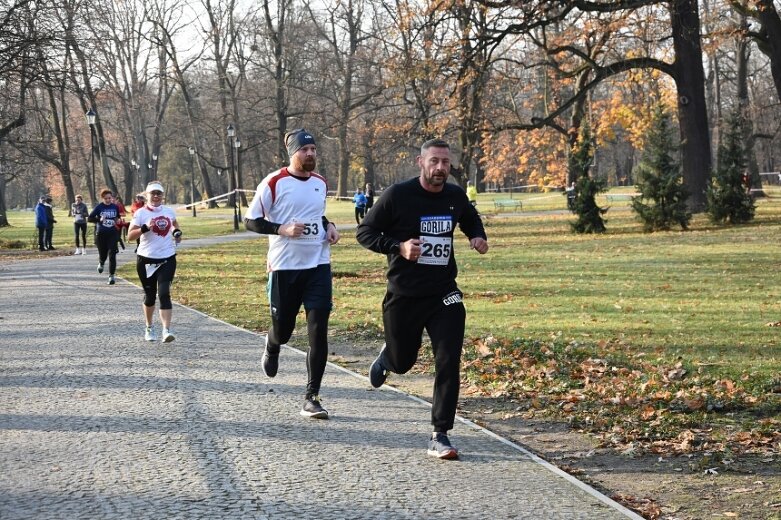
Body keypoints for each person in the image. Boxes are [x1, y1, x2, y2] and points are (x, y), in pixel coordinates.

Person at [356, 138, 489, 460]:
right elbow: (365, 232)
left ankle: (440, 433)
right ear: (421, 162)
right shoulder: (398, 196)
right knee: (404, 362)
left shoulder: (455, 196)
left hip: (444, 293)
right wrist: (398, 247)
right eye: (435, 162)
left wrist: (477, 235)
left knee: (448, 359)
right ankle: (389, 358)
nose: (441, 168)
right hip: (404, 294)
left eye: (445, 162)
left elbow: (469, 216)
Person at [244, 128, 340, 419]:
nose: (310, 154)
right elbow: (251, 222)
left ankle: (312, 397)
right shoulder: (274, 183)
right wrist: (281, 229)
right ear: (293, 154)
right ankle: (272, 344)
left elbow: (316, 215)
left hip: (318, 265)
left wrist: (330, 225)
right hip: (285, 268)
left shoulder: (321, 183)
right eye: (305, 150)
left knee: (318, 330)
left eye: (313, 150)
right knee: (284, 331)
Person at [127, 181, 182, 343]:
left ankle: (166, 330)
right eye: (153, 193)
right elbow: (130, 237)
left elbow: (174, 224)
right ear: (147, 195)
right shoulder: (141, 213)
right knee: (150, 296)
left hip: (167, 258)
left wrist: (177, 233)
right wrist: (145, 228)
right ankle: (149, 327)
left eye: (159, 193)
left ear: (162, 195)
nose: (156, 196)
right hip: (146, 259)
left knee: (164, 293)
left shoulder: (168, 211)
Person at [88, 188, 121, 285]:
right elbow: (90, 219)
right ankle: (101, 262)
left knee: (112, 254)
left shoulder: (115, 207)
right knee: (103, 254)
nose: (108, 200)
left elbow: (117, 216)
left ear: (112, 198)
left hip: (112, 233)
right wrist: (99, 220)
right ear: (103, 198)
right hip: (101, 234)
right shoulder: (99, 207)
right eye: (106, 198)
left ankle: (111, 276)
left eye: (109, 198)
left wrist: (117, 220)